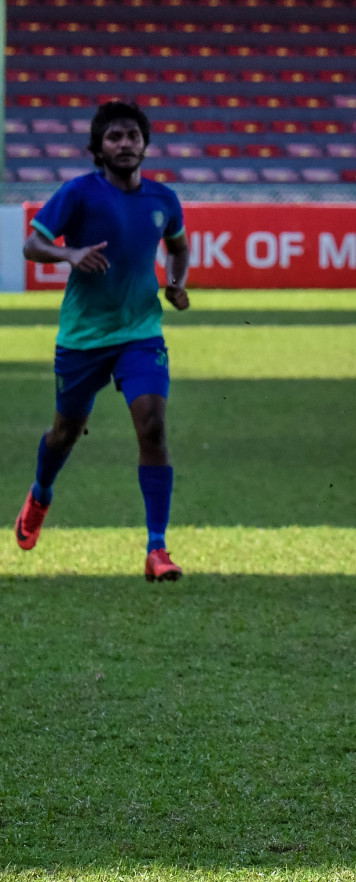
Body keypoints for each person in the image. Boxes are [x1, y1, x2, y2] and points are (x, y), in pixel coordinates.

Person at [14, 99, 190, 581]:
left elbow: (177, 246)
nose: (125, 144)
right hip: (83, 337)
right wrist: (68, 253)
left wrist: (176, 282)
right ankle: (41, 494)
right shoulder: (77, 194)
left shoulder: (163, 200)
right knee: (65, 433)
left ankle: (157, 549)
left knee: (152, 428)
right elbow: (32, 244)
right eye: (114, 137)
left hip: (140, 333)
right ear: (99, 147)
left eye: (133, 135)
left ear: (144, 143)